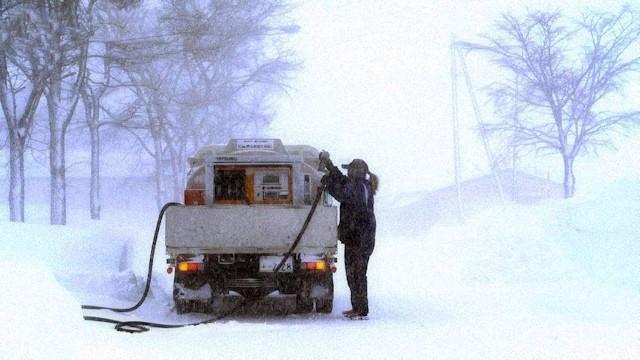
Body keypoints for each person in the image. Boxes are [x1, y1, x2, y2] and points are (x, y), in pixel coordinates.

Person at [318, 151, 378, 319]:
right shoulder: (361, 185)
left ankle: (361, 309)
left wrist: (328, 183)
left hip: (359, 239)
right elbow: (342, 181)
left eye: (349, 170)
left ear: (355, 172)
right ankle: (357, 307)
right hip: (357, 237)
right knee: (354, 273)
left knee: (357, 274)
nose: (347, 173)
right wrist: (329, 165)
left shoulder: (359, 187)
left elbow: (342, 193)